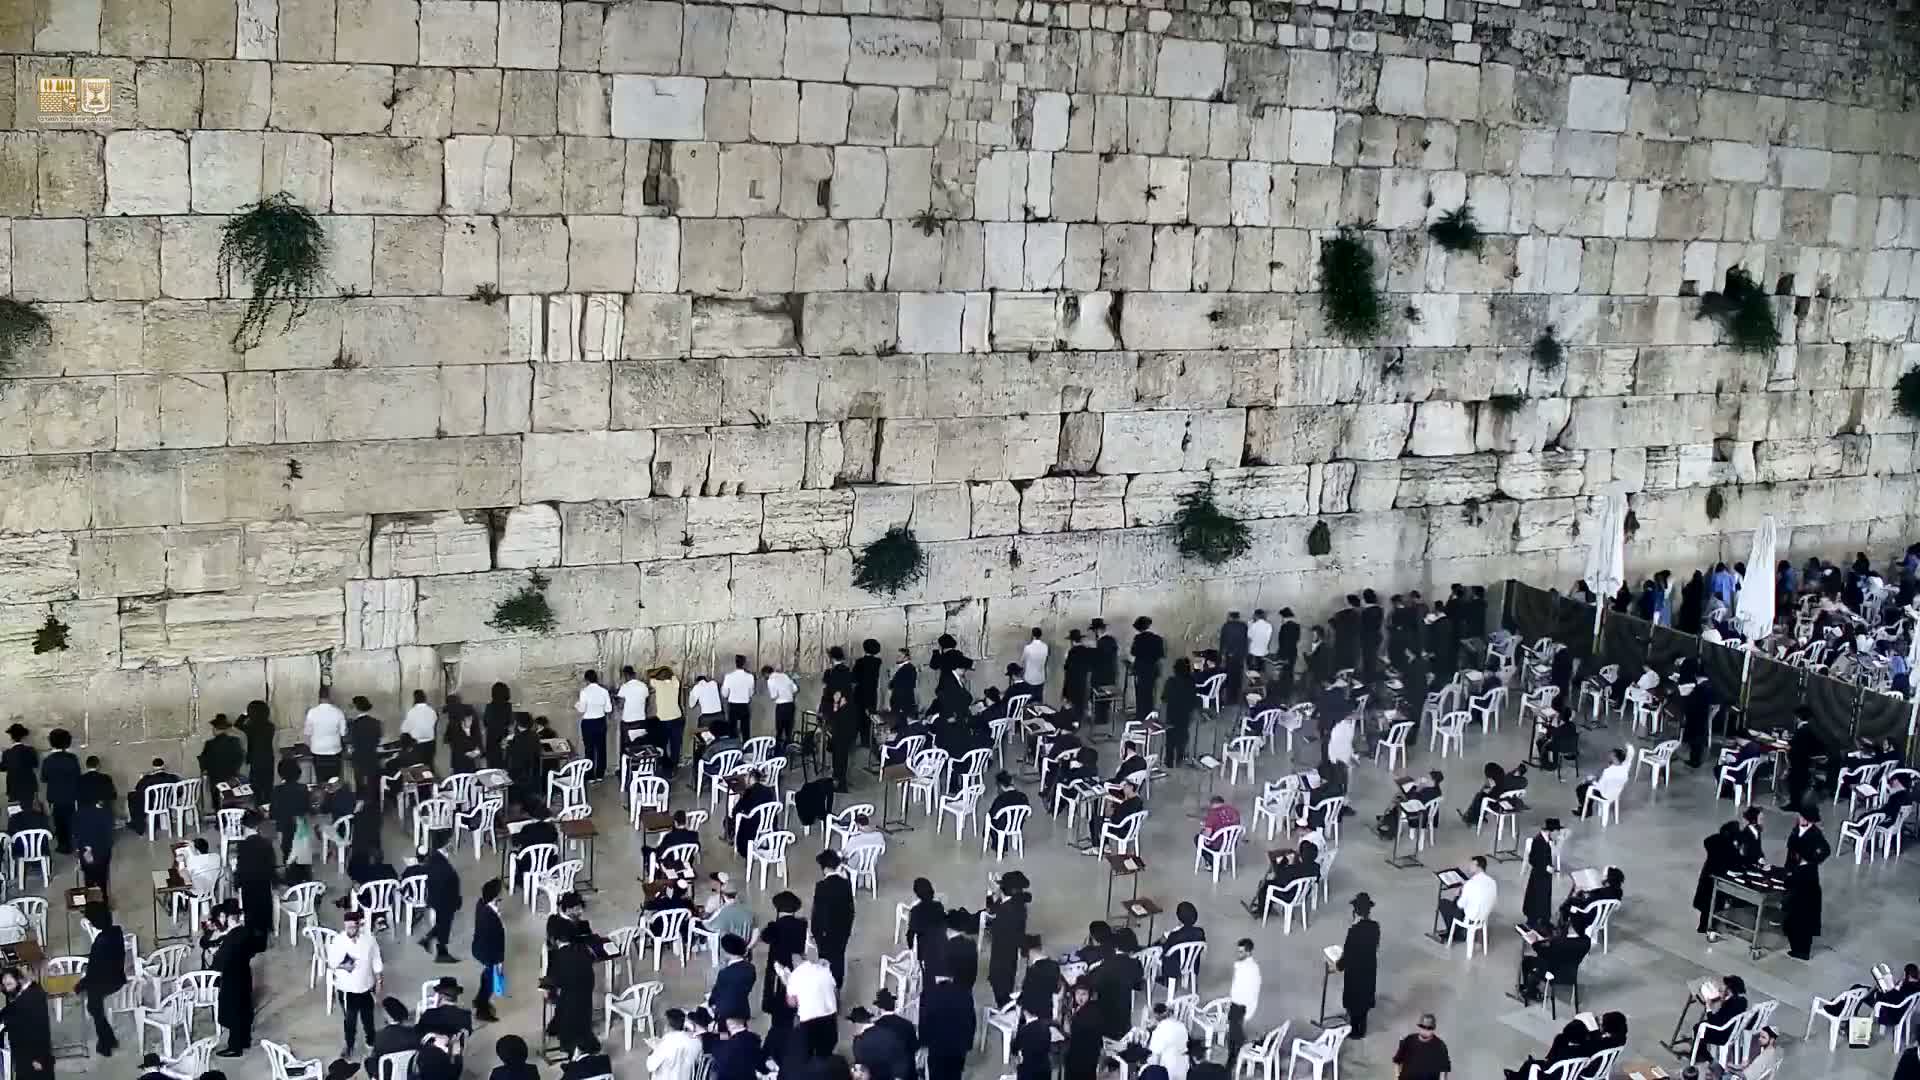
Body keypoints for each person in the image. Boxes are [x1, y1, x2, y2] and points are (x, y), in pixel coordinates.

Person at [331, 908, 385, 1056]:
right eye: (347, 927)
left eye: (353, 927)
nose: (350, 930)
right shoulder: (338, 941)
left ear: (359, 925)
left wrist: (379, 979)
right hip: (347, 990)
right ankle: (349, 1045)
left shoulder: (369, 940)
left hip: (366, 986)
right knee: (350, 1021)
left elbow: (376, 959)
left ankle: (371, 1042)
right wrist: (344, 965)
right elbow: (332, 962)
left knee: (368, 1018)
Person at [1783, 805, 1830, 960]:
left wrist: (1809, 859)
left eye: (1803, 817)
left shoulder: (1815, 834)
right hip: (1794, 874)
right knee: (1793, 912)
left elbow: (1824, 851)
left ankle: (1803, 950)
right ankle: (1795, 944)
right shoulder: (1796, 830)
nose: (1800, 819)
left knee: (1804, 915)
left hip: (1807, 878)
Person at [77, 904, 125, 1055]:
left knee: (93, 1006)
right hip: (117, 975)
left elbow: (93, 971)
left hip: (107, 981)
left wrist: (81, 984)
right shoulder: (116, 932)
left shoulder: (100, 943)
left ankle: (106, 1042)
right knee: (94, 1004)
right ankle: (108, 1039)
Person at [1516, 919, 1590, 1004]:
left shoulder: (1559, 944)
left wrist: (1534, 943)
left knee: (1528, 962)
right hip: (1572, 973)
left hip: (1556, 973)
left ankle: (1531, 991)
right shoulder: (1586, 941)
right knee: (1544, 961)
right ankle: (1531, 987)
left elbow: (1543, 953)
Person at [1337, 893, 1379, 1039]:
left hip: (1355, 973)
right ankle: (1363, 1027)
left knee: (1354, 1002)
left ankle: (1355, 1031)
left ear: (1355, 912)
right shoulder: (1375, 927)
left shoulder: (1353, 932)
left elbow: (1348, 954)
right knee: (1364, 1003)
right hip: (1369, 970)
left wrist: (1339, 965)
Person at [986, 870, 1030, 1006]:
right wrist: (994, 891)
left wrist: (993, 892)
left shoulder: (1006, 911)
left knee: (1002, 991)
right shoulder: (1017, 904)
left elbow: (992, 915)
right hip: (1009, 958)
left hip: (1002, 961)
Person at [811, 850, 856, 986]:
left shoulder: (821, 887)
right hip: (843, 930)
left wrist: (815, 932)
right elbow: (851, 910)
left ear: (824, 868)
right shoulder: (846, 884)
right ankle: (838, 985)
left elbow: (818, 913)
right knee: (839, 957)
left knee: (825, 959)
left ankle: (827, 987)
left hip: (826, 933)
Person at [920, 971, 976, 1080]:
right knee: (955, 1074)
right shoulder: (965, 993)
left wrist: (923, 1043)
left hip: (937, 1047)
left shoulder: (928, 994)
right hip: (958, 1048)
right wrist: (968, 1044)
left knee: (936, 1074)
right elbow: (971, 1022)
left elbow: (924, 1021)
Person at [0, 965, 53, 1077]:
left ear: (19, 980)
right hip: (24, 1057)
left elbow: (42, 1028)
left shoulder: (32, 997)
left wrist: (39, 1058)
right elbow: (11, 1010)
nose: (7, 989)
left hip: (33, 1059)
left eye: (9, 984)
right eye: (4, 986)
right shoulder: (23, 995)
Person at [231, 810, 278, 935]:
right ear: (257, 826)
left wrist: (236, 883)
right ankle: (267, 928)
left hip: (249, 884)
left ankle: (252, 931)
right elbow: (271, 866)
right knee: (264, 904)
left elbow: (241, 868)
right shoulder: (267, 844)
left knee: (250, 908)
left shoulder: (242, 846)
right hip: (264, 883)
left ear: (243, 826)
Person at [786, 953, 839, 1060]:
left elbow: (792, 1003)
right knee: (826, 1054)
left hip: (809, 1020)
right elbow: (835, 991)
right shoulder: (824, 970)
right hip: (829, 1018)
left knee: (808, 1055)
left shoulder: (795, 975)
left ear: (797, 958)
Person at [39, 728, 80, 854]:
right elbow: (77, 775)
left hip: (55, 796)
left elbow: (43, 778)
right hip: (71, 795)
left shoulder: (47, 760)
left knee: (59, 821)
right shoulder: (72, 758)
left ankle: (63, 845)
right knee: (71, 819)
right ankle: (73, 843)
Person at [419, 841, 462, 963]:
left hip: (437, 898)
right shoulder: (440, 865)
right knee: (445, 925)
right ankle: (441, 953)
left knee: (441, 923)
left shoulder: (431, 865)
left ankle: (427, 940)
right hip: (445, 900)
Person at [471, 878, 505, 1023]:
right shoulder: (490, 918)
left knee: (487, 975)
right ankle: (482, 1010)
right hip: (489, 953)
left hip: (481, 948)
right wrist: (498, 962)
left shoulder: (482, 904)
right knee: (490, 981)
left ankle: (479, 999)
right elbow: (493, 942)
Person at [1691, 976, 1748, 1061]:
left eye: (1724, 985)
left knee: (1697, 1027)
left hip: (1722, 1035)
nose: (1721, 987)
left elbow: (1715, 1022)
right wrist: (1723, 1000)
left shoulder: (1729, 1004)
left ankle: (1700, 1054)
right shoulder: (1743, 1001)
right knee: (1702, 1025)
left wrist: (1709, 1008)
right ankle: (1702, 1051)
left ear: (1729, 989)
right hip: (1733, 1031)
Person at [1437, 856, 1497, 936]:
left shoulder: (1470, 883)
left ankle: (1455, 933)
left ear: (1476, 865)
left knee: (1443, 903)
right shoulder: (1492, 881)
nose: (1469, 867)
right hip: (1484, 915)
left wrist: (1459, 894)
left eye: (1471, 865)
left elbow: (1460, 905)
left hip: (1471, 917)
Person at [73, 787, 115, 891]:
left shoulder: (78, 814)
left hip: (85, 850)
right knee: (103, 878)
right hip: (102, 851)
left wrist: (78, 852)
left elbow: (75, 834)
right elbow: (109, 835)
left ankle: (91, 901)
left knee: (88, 878)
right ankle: (103, 900)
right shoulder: (106, 813)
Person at [1522, 819, 1561, 929]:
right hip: (1539, 875)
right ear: (1550, 831)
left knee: (1545, 896)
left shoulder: (1548, 840)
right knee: (1536, 896)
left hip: (1545, 875)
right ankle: (1533, 920)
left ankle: (1545, 919)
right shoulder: (1538, 841)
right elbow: (1532, 859)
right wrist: (1545, 867)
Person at [576, 669, 613, 782]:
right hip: (600, 721)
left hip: (588, 723)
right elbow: (609, 709)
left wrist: (577, 705)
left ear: (586, 679)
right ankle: (600, 774)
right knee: (601, 748)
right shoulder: (604, 691)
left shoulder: (584, 692)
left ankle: (590, 775)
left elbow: (582, 709)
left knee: (589, 749)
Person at [905, 878, 947, 976]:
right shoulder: (939, 906)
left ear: (917, 893)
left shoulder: (915, 911)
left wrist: (911, 948)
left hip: (925, 952)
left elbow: (910, 935)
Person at [367, 998, 417, 1079]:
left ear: (387, 1015)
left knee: (368, 1060)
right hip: (409, 1073)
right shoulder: (413, 1032)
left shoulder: (380, 1036)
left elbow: (376, 1058)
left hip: (387, 1075)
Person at [1391, 1013, 1452, 1080]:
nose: (1425, 1031)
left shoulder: (1440, 1046)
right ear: (1419, 1027)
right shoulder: (1409, 1040)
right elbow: (1397, 1061)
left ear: (1433, 1029)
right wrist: (1397, 1077)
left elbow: (1444, 1071)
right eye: (1423, 1027)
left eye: (1429, 1028)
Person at [1574, 748, 1632, 818]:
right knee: (1588, 785)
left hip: (1605, 794)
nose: (1609, 756)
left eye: (1611, 755)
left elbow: (1599, 787)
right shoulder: (1625, 769)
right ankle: (1587, 808)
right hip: (1615, 793)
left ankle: (1586, 810)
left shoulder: (1608, 771)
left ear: (1615, 758)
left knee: (1581, 789)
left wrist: (1590, 781)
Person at [710, 933, 756, 1020]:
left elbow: (717, 994)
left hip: (725, 1013)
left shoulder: (725, 973)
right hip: (742, 1010)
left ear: (727, 953)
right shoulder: (751, 968)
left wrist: (711, 1003)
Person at [648, 1008, 702, 1080]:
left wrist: (654, 1050)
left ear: (667, 1026)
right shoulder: (697, 1042)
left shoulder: (666, 1042)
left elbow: (650, 1066)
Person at [1131, 616, 1165, 723]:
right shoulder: (1158, 638)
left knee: (1140, 693)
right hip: (1152, 669)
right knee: (1150, 693)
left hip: (1141, 669)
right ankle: (1149, 715)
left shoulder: (1138, 638)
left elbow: (1133, 652)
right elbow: (1160, 655)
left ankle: (1140, 715)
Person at [1146, 1002, 1190, 1080]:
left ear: (1156, 1015)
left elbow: (1154, 1053)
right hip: (1184, 1066)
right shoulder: (1181, 1025)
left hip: (1168, 1068)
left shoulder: (1159, 1031)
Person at [827, 688, 860, 793]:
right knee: (840, 761)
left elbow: (835, 719)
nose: (835, 697)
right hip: (843, 738)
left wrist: (836, 704)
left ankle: (840, 785)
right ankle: (838, 782)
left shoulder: (846, 709)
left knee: (840, 762)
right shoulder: (850, 706)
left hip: (842, 738)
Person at [1012, 1003, 1053, 1080]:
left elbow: (1014, 1049)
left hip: (1028, 1071)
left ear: (1025, 1012)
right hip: (1045, 1070)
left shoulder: (1024, 1030)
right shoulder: (1046, 1027)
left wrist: (1015, 1033)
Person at [0, 725, 37, 809]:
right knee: (29, 813)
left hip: (13, 789)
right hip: (29, 788)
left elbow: (2, 768)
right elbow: (35, 764)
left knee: (15, 815)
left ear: (11, 737)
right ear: (23, 737)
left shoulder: (7, 753)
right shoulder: (31, 750)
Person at [764, 663, 799, 746]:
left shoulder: (770, 680)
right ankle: (787, 752)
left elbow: (773, 696)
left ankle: (778, 752)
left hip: (781, 707)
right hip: (790, 706)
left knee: (779, 731)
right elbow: (795, 689)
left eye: (764, 676)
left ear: (766, 673)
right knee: (788, 731)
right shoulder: (785, 676)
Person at [722, 655, 757, 739]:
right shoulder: (750, 677)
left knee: (732, 729)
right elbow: (751, 693)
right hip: (744, 706)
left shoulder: (729, 676)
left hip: (733, 705)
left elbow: (725, 694)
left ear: (735, 663)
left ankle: (733, 748)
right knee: (745, 730)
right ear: (744, 663)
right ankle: (746, 748)